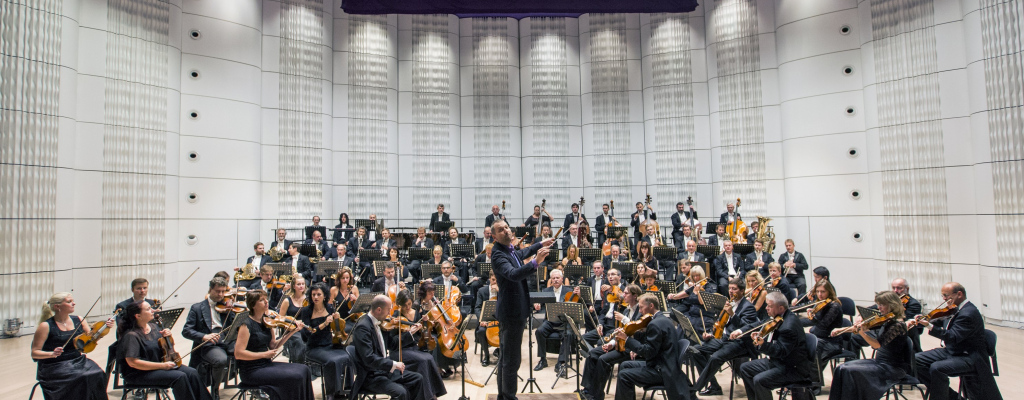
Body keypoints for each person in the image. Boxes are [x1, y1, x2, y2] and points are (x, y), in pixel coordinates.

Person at [490, 220, 554, 400]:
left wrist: (541, 244)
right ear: (494, 237)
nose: (506, 231)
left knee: (506, 359)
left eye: (506, 227)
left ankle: (503, 396)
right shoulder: (498, 255)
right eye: (501, 230)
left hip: (514, 311)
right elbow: (512, 274)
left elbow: (522, 252)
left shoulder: (508, 249)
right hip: (511, 313)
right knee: (511, 361)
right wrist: (535, 262)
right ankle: (509, 396)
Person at [912, 282, 1002, 400]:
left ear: (959, 294)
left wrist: (929, 326)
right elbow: (941, 321)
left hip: (969, 356)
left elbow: (953, 337)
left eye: (946, 295)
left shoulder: (968, 313)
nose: (944, 299)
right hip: (952, 351)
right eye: (942, 296)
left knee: (937, 368)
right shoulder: (954, 308)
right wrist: (922, 320)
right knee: (915, 360)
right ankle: (951, 397)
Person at [117, 301, 212, 400]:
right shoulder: (131, 335)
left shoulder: (153, 327)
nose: (153, 311)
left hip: (158, 365)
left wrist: (168, 337)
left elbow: (165, 348)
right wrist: (162, 366)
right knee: (180, 377)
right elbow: (133, 363)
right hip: (139, 373)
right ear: (138, 316)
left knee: (192, 372)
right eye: (148, 309)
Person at [828, 291, 910, 400]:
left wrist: (862, 332)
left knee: (849, 371)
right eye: (878, 304)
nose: (879, 308)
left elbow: (877, 345)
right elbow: (860, 328)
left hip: (892, 367)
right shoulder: (886, 319)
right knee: (841, 368)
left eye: (882, 305)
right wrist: (841, 330)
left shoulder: (898, 325)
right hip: (880, 362)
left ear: (892, 305)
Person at [234, 289, 313, 400]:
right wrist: (263, 355)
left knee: (304, 369)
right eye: (262, 300)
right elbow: (239, 353)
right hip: (251, 371)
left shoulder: (267, 321)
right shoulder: (246, 325)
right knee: (296, 376)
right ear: (253, 305)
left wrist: (293, 331)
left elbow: (274, 346)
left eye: (266, 299)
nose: (266, 302)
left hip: (265, 364)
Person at [31, 292, 109, 400]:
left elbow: (91, 340)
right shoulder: (46, 326)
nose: (74, 303)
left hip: (78, 361)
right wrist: (51, 353)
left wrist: (103, 329)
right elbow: (35, 352)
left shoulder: (79, 320)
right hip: (54, 366)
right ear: (57, 306)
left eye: (73, 301)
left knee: (98, 373)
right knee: (81, 377)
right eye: (69, 302)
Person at [739, 291, 815, 400]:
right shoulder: (779, 316)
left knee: (760, 380)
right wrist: (761, 337)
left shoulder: (788, 327)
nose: (766, 308)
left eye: (769, 306)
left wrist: (764, 345)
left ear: (780, 308)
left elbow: (781, 351)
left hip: (792, 368)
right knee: (745, 368)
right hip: (778, 362)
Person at [689, 278, 759, 396]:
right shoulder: (729, 302)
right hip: (723, 338)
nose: (731, 291)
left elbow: (747, 328)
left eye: (734, 289)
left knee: (715, 358)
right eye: (730, 288)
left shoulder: (748, 307)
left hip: (739, 343)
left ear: (742, 291)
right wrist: (711, 334)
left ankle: (694, 389)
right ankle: (714, 386)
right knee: (695, 350)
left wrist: (733, 314)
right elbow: (721, 324)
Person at [613, 293, 688, 400]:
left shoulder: (654, 324)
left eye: (642, 307)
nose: (640, 311)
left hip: (661, 370)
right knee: (625, 365)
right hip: (665, 364)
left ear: (651, 306)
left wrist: (627, 339)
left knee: (624, 375)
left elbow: (648, 352)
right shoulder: (663, 319)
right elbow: (653, 342)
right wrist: (632, 334)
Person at [350, 295, 425, 400]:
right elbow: (369, 358)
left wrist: (410, 333)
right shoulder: (363, 328)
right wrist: (393, 364)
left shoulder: (381, 323)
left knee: (417, 379)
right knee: (401, 392)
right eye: (389, 310)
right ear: (379, 310)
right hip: (371, 376)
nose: (390, 314)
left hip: (384, 371)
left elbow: (393, 344)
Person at [579, 284, 643, 400]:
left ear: (635, 296)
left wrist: (623, 319)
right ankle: (588, 389)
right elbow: (621, 331)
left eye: (626, 293)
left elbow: (637, 329)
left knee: (603, 360)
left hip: (631, 348)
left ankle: (596, 395)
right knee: (593, 353)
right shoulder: (627, 309)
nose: (623, 295)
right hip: (620, 343)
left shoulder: (640, 310)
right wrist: (611, 344)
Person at [386, 290, 446, 400]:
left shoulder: (416, 313)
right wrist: (409, 333)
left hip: (414, 347)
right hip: (400, 350)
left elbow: (422, 333)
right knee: (423, 360)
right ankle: (427, 397)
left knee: (429, 358)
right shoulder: (395, 317)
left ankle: (433, 393)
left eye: (409, 304)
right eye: (404, 305)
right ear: (399, 304)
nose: (408, 307)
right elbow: (393, 343)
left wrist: (426, 323)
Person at [299, 282, 353, 400]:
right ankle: (331, 393)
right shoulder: (306, 311)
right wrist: (324, 324)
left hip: (329, 345)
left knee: (348, 357)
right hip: (314, 347)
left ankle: (346, 390)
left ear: (324, 296)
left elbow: (335, 327)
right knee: (332, 361)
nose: (316, 297)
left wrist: (337, 320)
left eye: (319, 294)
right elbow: (307, 334)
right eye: (313, 295)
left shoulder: (329, 308)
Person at [182, 277, 237, 394]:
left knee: (249, 352)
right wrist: (204, 336)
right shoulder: (197, 308)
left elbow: (234, 326)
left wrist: (231, 312)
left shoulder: (227, 306)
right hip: (210, 344)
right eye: (217, 291)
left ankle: (252, 385)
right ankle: (215, 389)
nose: (221, 294)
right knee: (221, 360)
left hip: (227, 341)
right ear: (210, 290)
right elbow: (186, 331)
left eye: (223, 291)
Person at [532, 269, 579, 375]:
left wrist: (578, 295)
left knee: (568, 334)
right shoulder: (546, 291)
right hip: (550, 321)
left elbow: (577, 304)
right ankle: (543, 359)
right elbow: (539, 304)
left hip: (564, 322)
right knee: (539, 331)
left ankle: (561, 362)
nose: (556, 280)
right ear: (551, 280)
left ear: (562, 279)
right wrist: (537, 305)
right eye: (553, 278)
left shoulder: (569, 291)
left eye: (558, 278)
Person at [803, 280, 843, 374]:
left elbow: (822, 327)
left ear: (829, 291)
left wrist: (812, 329)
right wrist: (812, 318)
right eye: (817, 291)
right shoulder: (821, 303)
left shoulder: (834, 306)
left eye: (823, 292)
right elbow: (818, 324)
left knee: (811, 348)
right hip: (822, 338)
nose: (820, 294)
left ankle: (813, 384)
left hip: (832, 342)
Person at [669, 265, 716, 338]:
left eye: (697, 276)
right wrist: (673, 296)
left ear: (702, 275)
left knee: (689, 324)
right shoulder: (695, 286)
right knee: (682, 323)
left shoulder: (708, 287)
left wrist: (698, 292)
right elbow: (685, 293)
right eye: (693, 276)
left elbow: (702, 302)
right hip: (692, 313)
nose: (695, 278)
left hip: (702, 314)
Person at [278, 275, 308, 363]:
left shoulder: (308, 299)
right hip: (292, 330)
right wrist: (293, 321)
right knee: (300, 342)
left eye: (303, 284)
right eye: (298, 284)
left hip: (305, 328)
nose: (301, 286)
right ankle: (299, 364)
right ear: (293, 286)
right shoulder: (287, 301)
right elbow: (280, 319)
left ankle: (313, 368)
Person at [474, 275, 500, 366]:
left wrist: (499, 292)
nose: (495, 282)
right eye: (493, 280)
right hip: (485, 321)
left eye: (497, 280)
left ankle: (500, 351)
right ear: (489, 279)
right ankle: (487, 355)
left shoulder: (502, 291)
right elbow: (477, 308)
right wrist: (481, 320)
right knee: (481, 331)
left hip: (498, 320)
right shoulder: (482, 291)